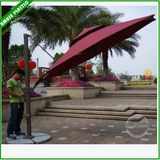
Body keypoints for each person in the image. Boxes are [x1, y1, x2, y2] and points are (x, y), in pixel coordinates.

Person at [6, 68, 25, 140]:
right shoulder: (10, 81)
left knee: (19, 117)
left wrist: (23, 93)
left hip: (21, 101)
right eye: (20, 76)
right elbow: (9, 91)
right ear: (17, 74)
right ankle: (9, 133)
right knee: (13, 117)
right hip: (14, 102)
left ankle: (17, 131)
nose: (21, 77)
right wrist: (18, 95)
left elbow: (20, 89)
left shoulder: (18, 81)